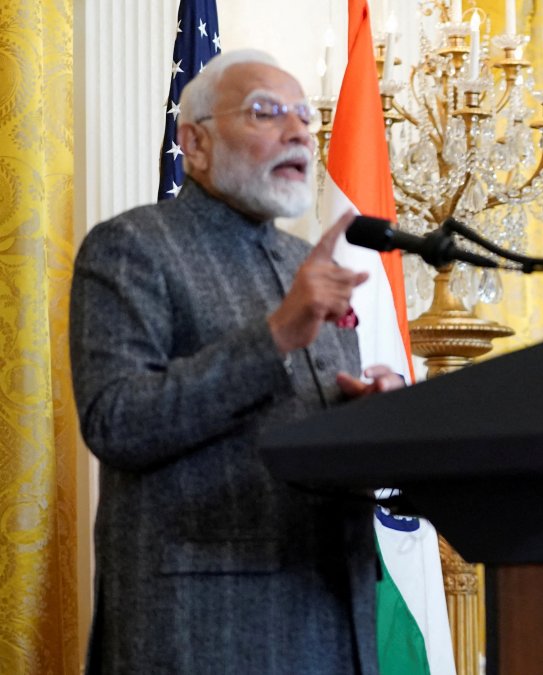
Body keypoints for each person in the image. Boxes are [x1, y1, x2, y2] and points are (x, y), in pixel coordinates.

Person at [70, 50, 402, 674]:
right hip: (208, 631)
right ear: (194, 143)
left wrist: (374, 413)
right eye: (266, 112)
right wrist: (275, 335)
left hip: (337, 614)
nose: (300, 130)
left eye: (304, 115)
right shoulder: (132, 248)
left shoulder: (309, 260)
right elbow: (116, 422)